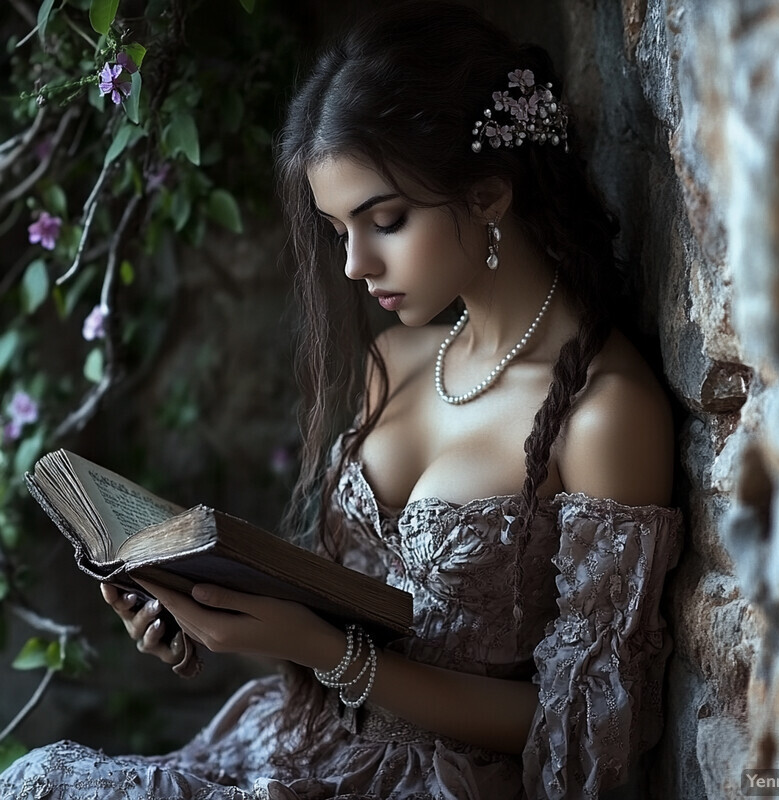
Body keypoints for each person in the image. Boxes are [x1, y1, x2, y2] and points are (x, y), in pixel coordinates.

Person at [0, 2, 682, 798]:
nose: (355, 264)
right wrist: (204, 615)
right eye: (336, 230)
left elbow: (585, 722)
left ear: (489, 194)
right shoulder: (396, 357)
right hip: (303, 742)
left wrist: (329, 653)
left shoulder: (604, 414)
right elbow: (336, 605)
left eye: (383, 221)